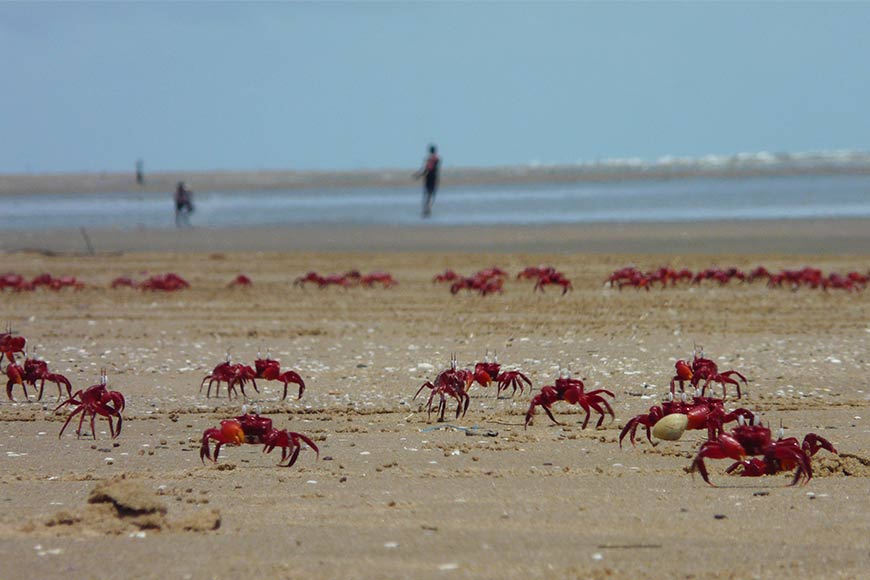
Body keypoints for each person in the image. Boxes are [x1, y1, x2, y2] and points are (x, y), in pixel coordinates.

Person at [414, 144, 440, 218]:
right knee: (431, 195)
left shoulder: (430, 159)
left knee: (427, 194)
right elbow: (431, 169)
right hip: (433, 179)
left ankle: (426, 210)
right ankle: (427, 210)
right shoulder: (437, 159)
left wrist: (419, 175)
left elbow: (426, 169)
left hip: (428, 179)